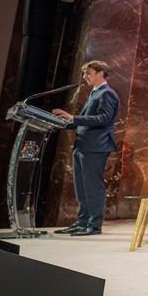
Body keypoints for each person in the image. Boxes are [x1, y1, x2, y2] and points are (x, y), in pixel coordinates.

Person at [51, 60, 120, 236]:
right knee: (81, 187)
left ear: (101, 74)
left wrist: (73, 118)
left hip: (96, 146)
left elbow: (104, 118)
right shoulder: (95, 93)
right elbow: (86, 120)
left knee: (92, 186)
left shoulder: (107, 93)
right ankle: (82, 222)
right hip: (83, 145)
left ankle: (94, 224)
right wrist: (58, 123)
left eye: (88, 73)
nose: (85, 77)